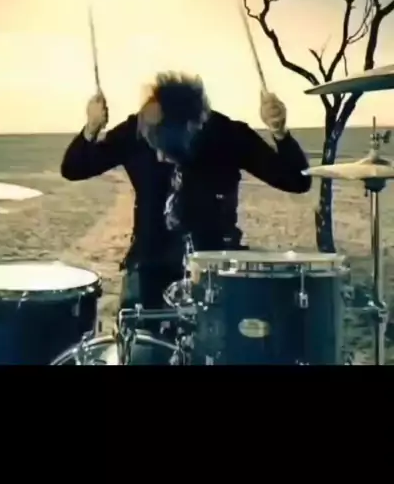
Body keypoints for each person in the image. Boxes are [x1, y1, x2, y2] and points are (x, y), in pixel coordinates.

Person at [60, 72, 312, 319]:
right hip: (149, 265)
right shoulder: (135, 130)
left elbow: (297, 180)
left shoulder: (228, 134)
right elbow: (74, 168)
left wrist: (280, 132)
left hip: (217, 268)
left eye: (164, 150)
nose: (160, 157)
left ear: (195, 127)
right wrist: (91, 128)